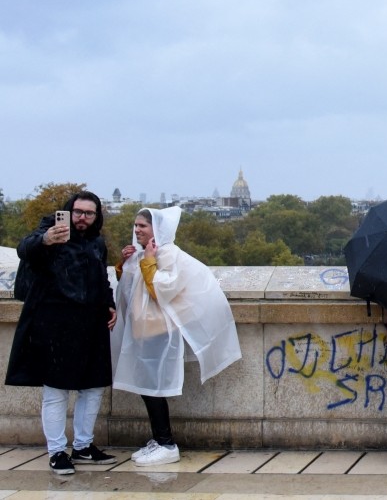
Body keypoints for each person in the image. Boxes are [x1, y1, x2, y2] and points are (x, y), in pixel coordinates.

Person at [111, 206, 242, 467]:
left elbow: (162, 288)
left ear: (156, 229)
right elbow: (133, 287)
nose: (137, 230)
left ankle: (166, 442)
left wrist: (146, 261)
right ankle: (159, 439)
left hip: (158, 332)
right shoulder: (147, 252)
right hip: (145, 329)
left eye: (142, 226)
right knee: (149, 389)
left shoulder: (168, 253)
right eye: (136, 225)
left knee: (154, 389)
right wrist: (126, 264)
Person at [5, 191, 118, 475]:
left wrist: (110, 304)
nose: (82, 218)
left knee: (92, 388)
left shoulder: (97, 242)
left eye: (89, 213)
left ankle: (83, 446)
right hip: (54, 322)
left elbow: (101, 276)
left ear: (96, 216)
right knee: (56, 392)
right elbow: (24, 248)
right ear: (69, 211)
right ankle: (57, 452)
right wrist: (46, 239)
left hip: (91, 322)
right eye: (78, 212)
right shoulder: (50, 233)